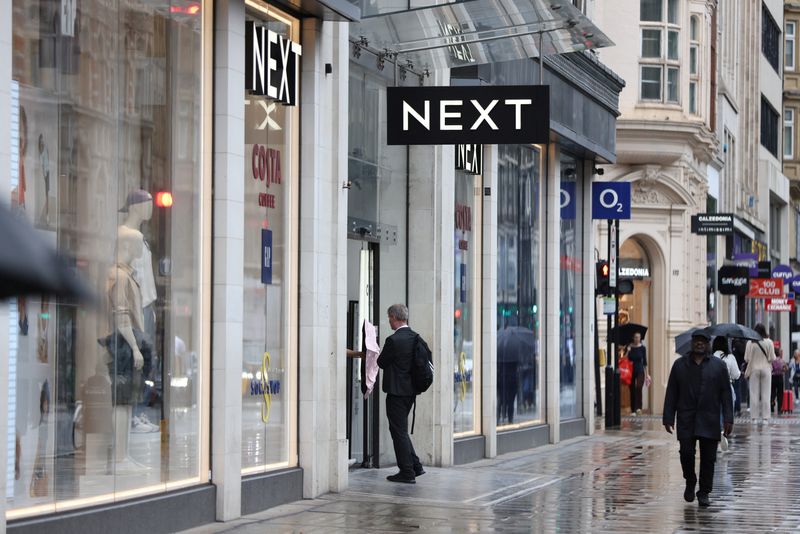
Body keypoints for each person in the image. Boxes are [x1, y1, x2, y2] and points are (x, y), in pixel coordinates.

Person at [663, 330, 733, 507]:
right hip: (687, 417)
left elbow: (726, 393)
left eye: (703, 341)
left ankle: (704, 492)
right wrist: (668, 417)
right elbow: (672, 392)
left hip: (710, 418)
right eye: (697, 341)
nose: (700, 344)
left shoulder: (718, 366)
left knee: (709, 458)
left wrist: (728, 418)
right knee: (686, 452)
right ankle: (690, 480)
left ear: (708, 344)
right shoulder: (679, 365)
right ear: (692, 343)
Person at [376, 304, 425, 484]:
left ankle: (407, 472)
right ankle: (416, 466)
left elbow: (381, 362)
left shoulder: (393, 340)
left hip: (396, 393)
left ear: (395, 318)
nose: (389, 320)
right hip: (410, 393)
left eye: (389, 318)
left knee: (398, 432)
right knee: (401, 430)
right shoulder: (415, 338)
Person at [744, 323, 776, 424]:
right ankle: (766, 418)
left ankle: (754, 418)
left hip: (754, 369)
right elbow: (772, 358)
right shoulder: (769, 342)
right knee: (766, 394)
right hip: (766, 369)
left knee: (754, 394)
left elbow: (746, 358)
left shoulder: (750, 342)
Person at [712, 337, 739, 451]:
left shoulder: (711, 357)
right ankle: (723, 436)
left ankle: (716, 438)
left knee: (715, 414)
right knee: (727, 414)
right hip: (727, 388)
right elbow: (736, 375)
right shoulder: (730, 357)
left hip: (713, 389)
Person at [626, 332, 650, 415]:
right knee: (632, 389)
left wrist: (647, 374)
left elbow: (645, 362)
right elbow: (625, 359)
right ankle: (633, 410)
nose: (637, 339)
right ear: (633, 338)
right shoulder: (629, 347)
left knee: (639, 388)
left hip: (640, 370)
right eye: (636, 337)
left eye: (639, 337)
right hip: (631, 371)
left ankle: (639, 408)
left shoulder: (643, 348)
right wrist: (627, 351)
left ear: (640, 338)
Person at [731, 338, 747, 416]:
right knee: (737, 389)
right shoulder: (742, 346)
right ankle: (738, 409)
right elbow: (744, 359)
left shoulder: (734, 345)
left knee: (733, 389)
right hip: (738, 369)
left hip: (732, 367)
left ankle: (734, 408)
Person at [771, 347, 788, 414]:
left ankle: (772, 404)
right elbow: (786, 368)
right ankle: (779, 409)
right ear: (779, 353)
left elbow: (770, 368)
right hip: (780, 378)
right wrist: (782, 370)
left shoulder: (772, 361)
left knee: (772, 392)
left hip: (773, 378)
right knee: (780, 393)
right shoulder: (782, 361)